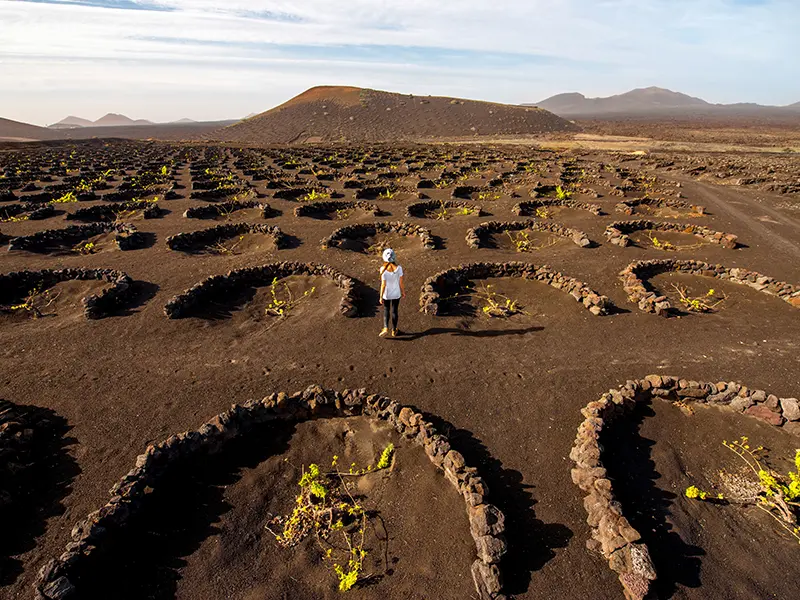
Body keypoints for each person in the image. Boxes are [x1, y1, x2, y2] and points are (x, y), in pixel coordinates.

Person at [379, 248, 405, 337]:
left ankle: (385, 327)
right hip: (396, 293)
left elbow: (383, 285)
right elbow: (401, 282)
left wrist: (381, 296)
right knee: (394, 311)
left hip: (387, 294)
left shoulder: (383, 269)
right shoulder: (399, 268)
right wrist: (403, 292)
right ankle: (394, 330)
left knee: (386, 310)